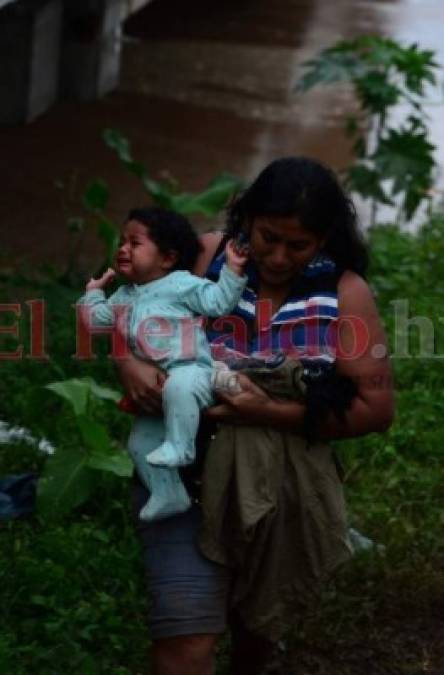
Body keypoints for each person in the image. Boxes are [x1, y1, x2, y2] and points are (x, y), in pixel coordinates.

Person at [116, 157, 395, 675]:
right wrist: (128, 360)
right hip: (184, 481)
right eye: (268, 237)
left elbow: (375, 410)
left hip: (276, 493)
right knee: (188, 646)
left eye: (299, 245)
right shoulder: (204, 256)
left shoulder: (344, 294)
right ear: (246, 218)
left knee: (256, 627)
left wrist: (269, 411)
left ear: (324, 240)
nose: (279, 256)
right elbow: (126, 304)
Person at [78, 207, 248, 522]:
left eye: (134, 243)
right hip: (156, 389)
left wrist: (233, 271)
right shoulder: (123, 296)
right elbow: (95, 323)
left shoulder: (181, 284)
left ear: (167, 258)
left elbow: (218, 302)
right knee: (139, 444)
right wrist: (93, 293)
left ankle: (181, 447)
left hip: (191, 371)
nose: (123, 248)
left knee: (180, 388)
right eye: (121, 241)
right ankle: (169, 493)